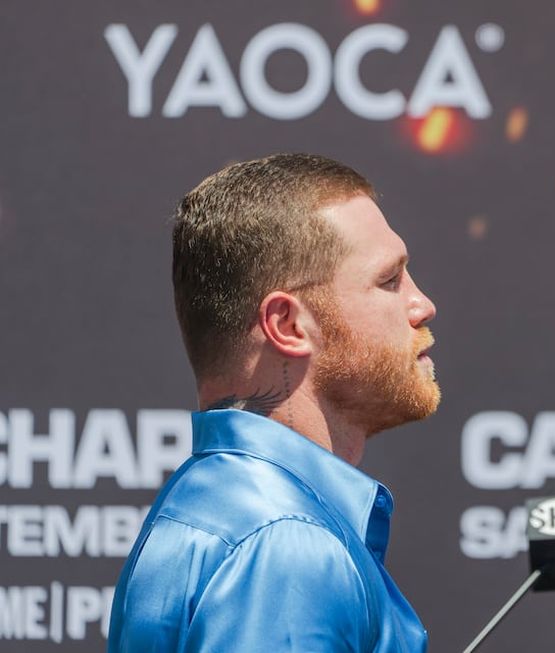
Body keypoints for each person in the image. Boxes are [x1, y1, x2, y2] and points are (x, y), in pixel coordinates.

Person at [108, 153, 439, 652]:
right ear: (287, 325)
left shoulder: (215, 503)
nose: (422, 305)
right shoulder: (286, 542)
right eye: (389, 281)